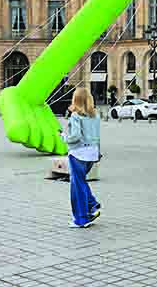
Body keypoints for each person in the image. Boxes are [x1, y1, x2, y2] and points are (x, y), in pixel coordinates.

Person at [61, 87, 101, 229]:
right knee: (81, 182)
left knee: (77, 186)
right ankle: (91, 206)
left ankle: (82, 219)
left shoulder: (75, 116)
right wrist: (98, 153)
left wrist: (65, 138)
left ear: (75, 99)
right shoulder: (95, 115)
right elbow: (97, 136)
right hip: (92, 153)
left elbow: (76, 136)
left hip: (78, 153)